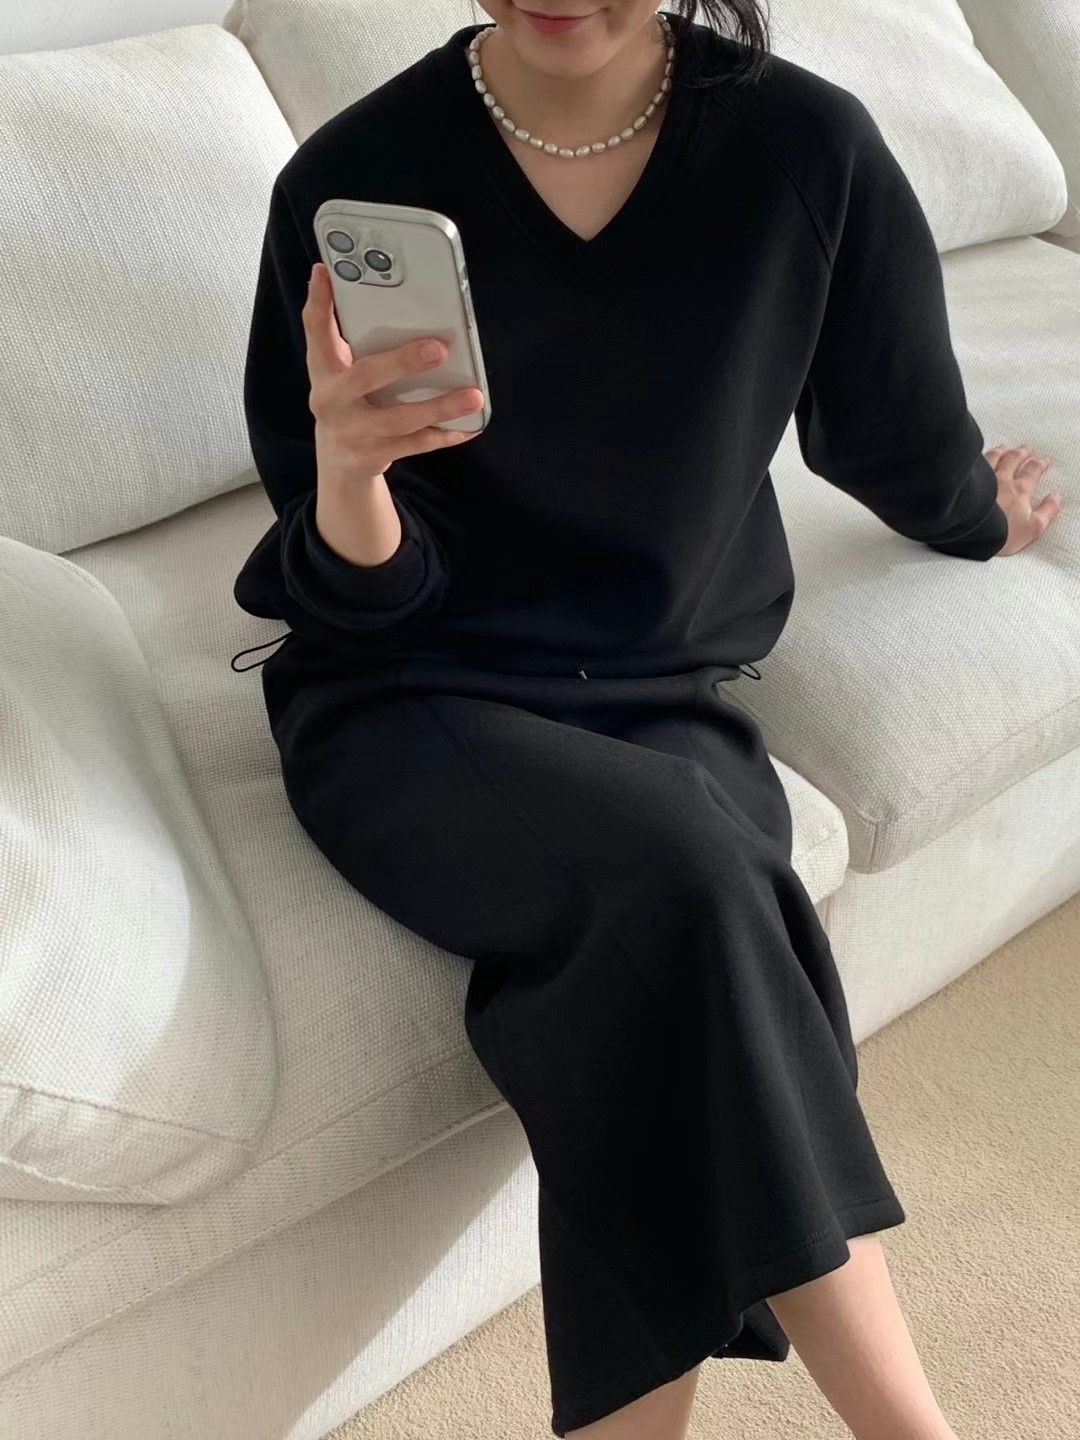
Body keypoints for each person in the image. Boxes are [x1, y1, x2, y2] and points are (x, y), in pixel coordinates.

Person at [230, 3, 1062, 1436]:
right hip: (410, 694)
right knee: (698, 876)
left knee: (672, 947)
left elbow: (892, 423)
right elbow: (357, 583)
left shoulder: (805, 149)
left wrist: (983, 517)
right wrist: (351, 470)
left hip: (660, 693)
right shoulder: (357, 178)